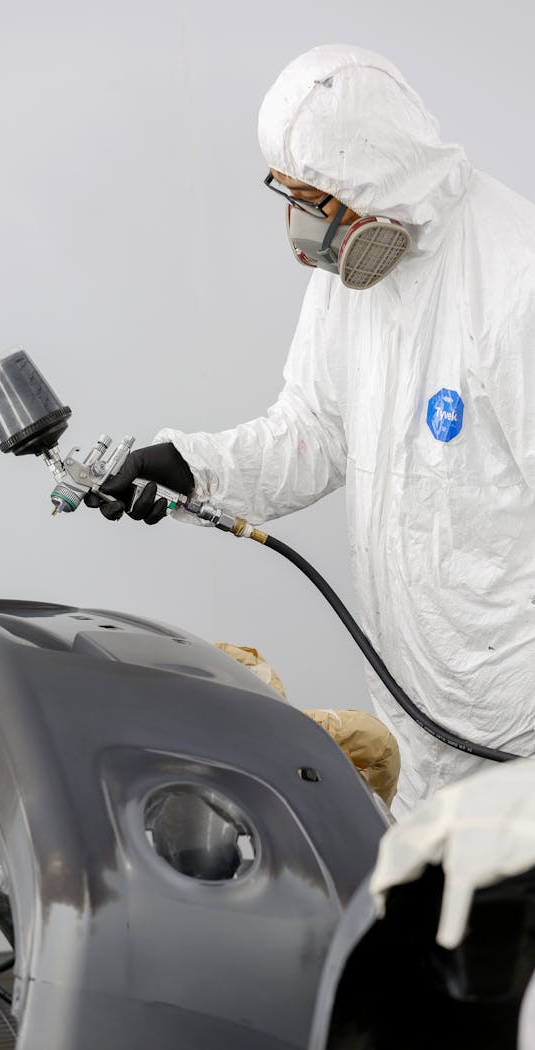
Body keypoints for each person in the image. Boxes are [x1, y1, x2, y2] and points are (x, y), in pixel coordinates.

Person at [85, 44, 535, 816]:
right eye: (288, 196)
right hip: (414, 705)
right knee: (436, 914)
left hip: (515, 718)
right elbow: (311, 435)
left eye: (312, 202)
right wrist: (188, 466)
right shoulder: (354, 286)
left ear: (370, 181)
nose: (300, 235)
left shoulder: (514, 282)